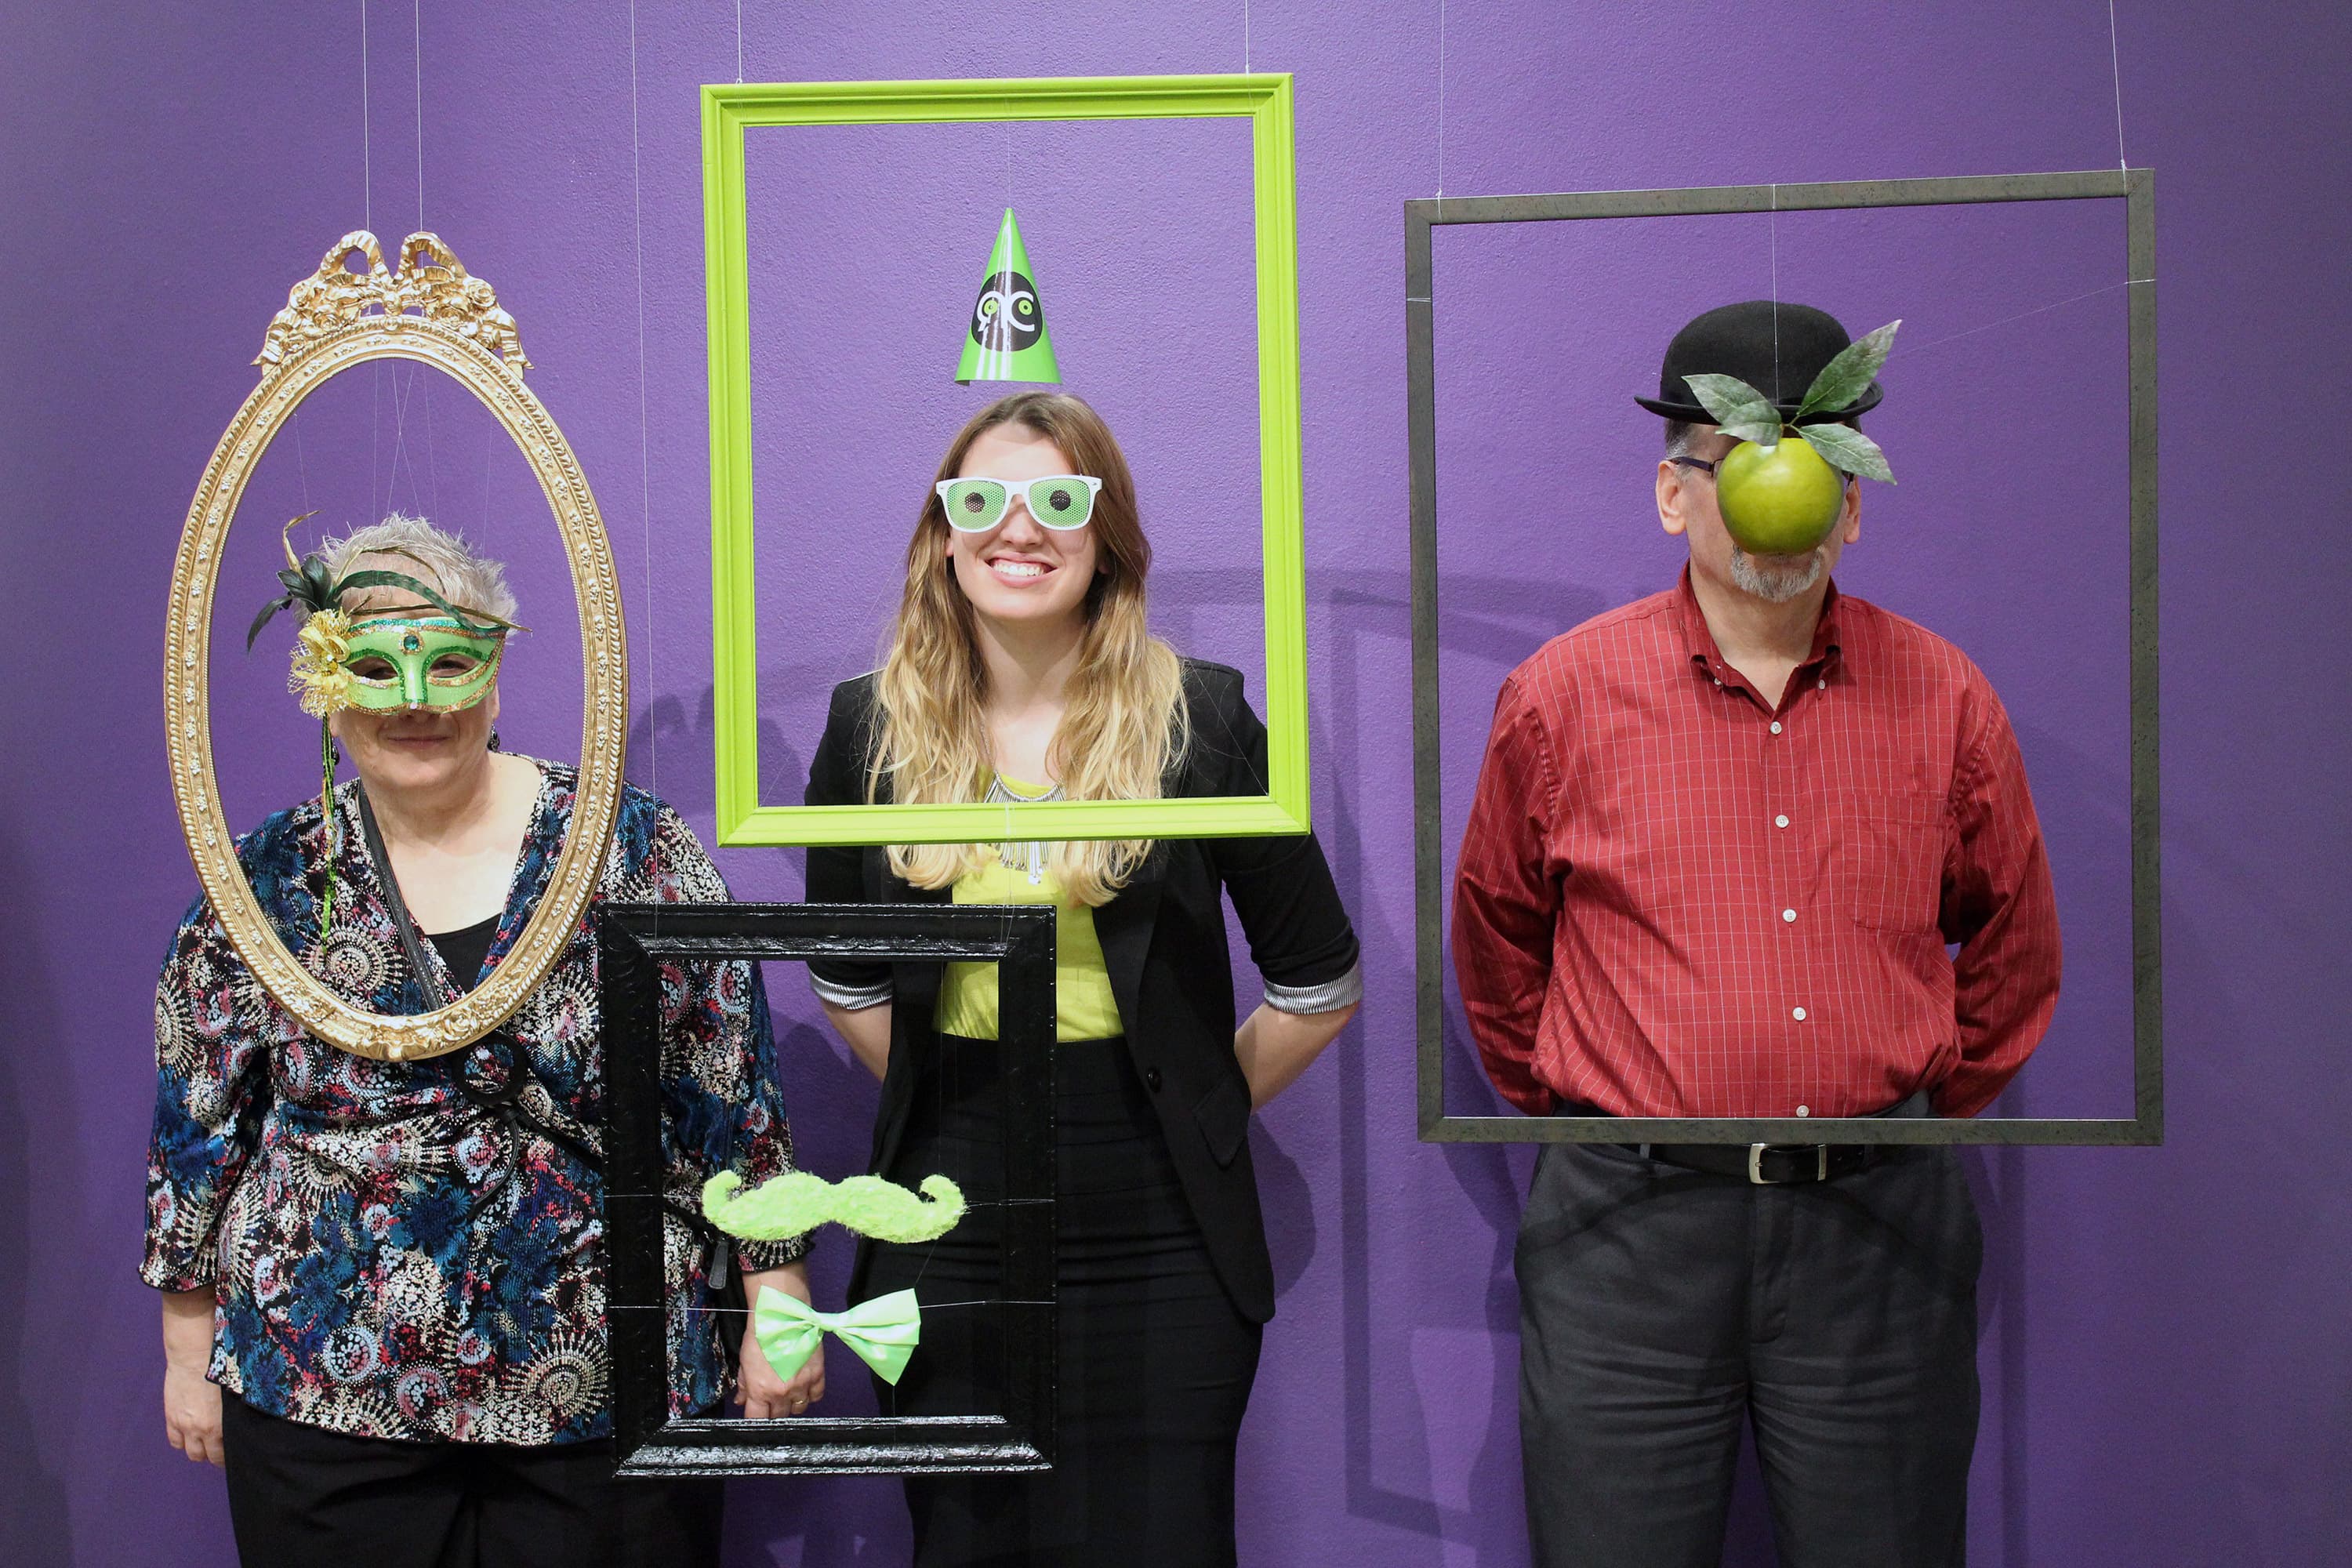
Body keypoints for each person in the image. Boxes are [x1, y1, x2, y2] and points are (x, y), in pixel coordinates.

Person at [1452, 301, 2063, 1568]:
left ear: (1852, 504)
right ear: (1672, 494)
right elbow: (1499, 940)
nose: (1775, 505)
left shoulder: (1945, 696)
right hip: (1628, 1239)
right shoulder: (1563, 698)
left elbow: (2014, 948)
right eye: (1735, 464)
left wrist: (1897, 1118)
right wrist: (1603, 1114)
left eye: (1815, 464)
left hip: (1878, 1236)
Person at [143, 514, 826, 1567]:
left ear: (495, 676)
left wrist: (777, 1288)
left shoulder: (629, 845)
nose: (415, 702)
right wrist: (188, 1345)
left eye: (450, 665)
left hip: (604, 1375)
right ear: (325, 684)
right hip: (325, 1388)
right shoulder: (268, 878)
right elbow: (197, 1117)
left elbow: (728, 1081)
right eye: (375, 668)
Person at [803, 391, 1361, 1566]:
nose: (1020, 528)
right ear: (943, 536)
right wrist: (964, 1100)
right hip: (947, 1201)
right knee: (968, 1543)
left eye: (1058, 498)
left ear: (1107, 536)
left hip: (1159, 1213)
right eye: (982, 500)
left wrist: (1193, 1103)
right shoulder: (870, 729)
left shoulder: (1199, 717)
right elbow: (847, 980)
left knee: (1161, 1539)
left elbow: (1319, 981)